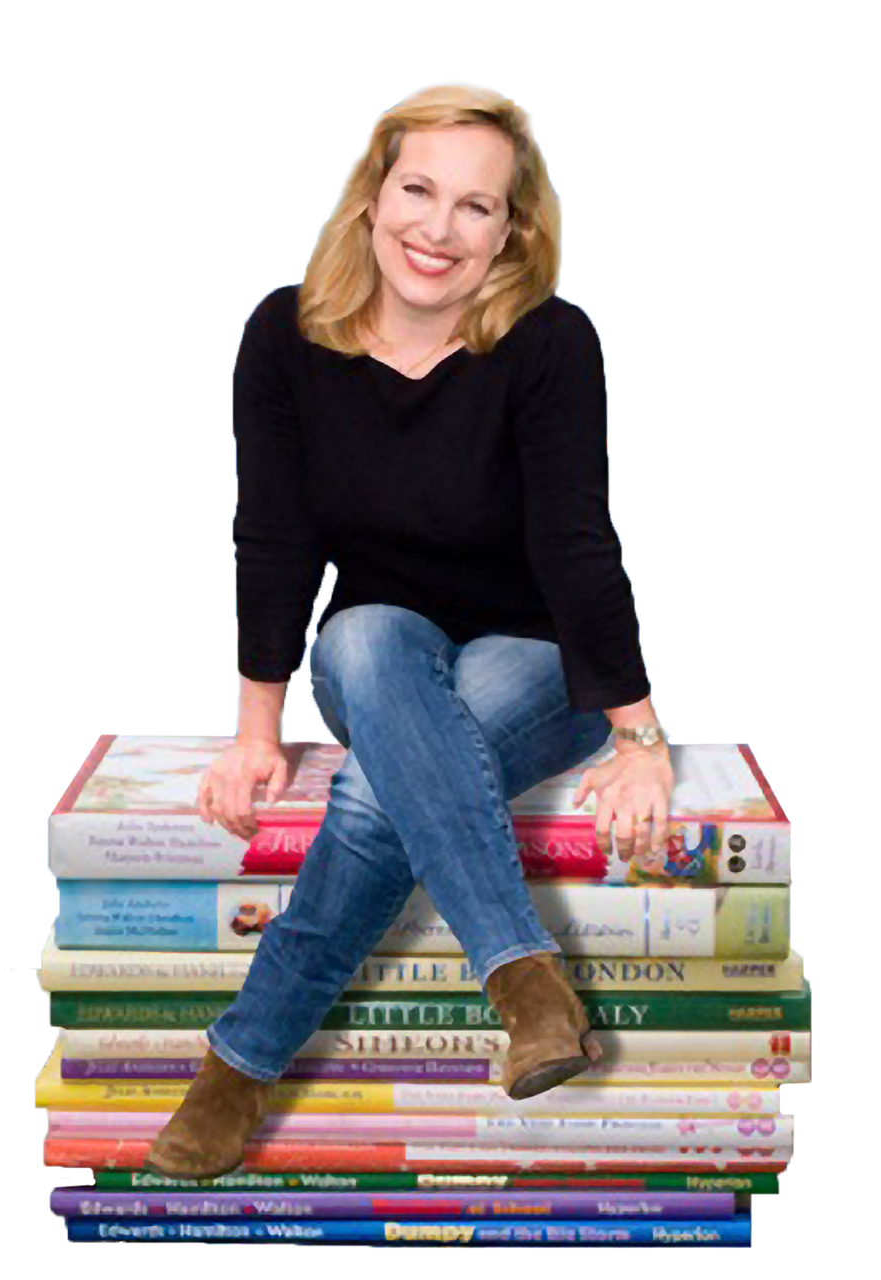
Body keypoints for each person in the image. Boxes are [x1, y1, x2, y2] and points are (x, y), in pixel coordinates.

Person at [146, 84, 674, 1179]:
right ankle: (527, 974)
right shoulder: (285, 337)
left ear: (513, 232)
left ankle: (239, 1066)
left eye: (477, 208)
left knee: (383, 783)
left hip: (537, 665)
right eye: (420, 190)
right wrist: (255, 731)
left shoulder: (550, 343)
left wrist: (639, 736)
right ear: (372, 196)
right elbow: (273, 539)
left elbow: (579, 541)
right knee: (369, 641)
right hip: (376, 657)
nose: (440, 229)